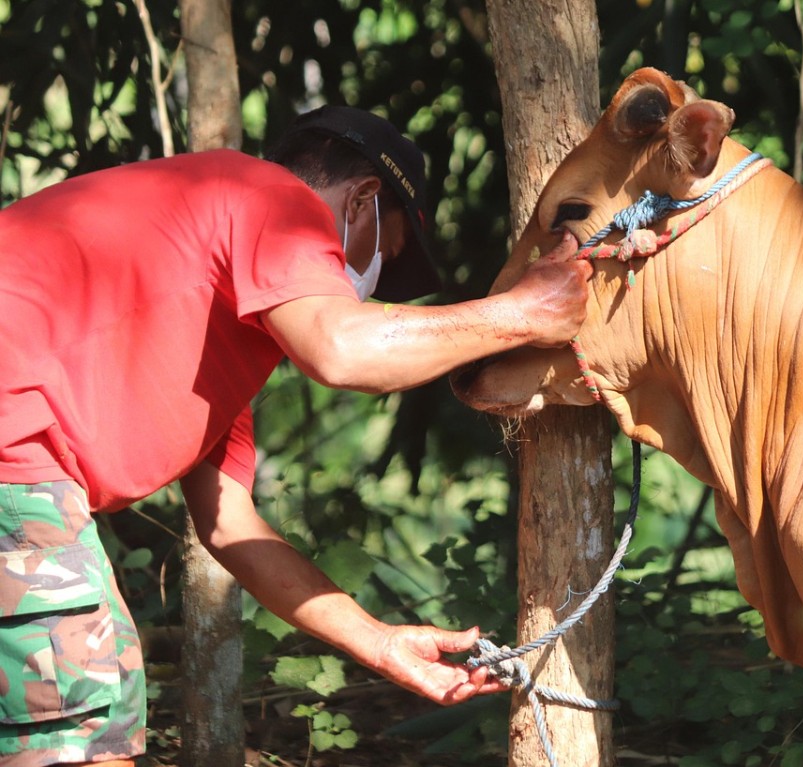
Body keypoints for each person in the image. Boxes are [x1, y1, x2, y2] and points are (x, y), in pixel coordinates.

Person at [0, 105, 593, 767]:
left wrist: (381, 643)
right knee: (82, 729)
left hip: (24, 460)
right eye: (385, 254)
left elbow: (230, 527)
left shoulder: (217, 332)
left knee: (87, 717)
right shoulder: (267, 197)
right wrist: (522, 313)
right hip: (16, 451)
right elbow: (341, 351)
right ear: (363, 200)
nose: (360, 291)